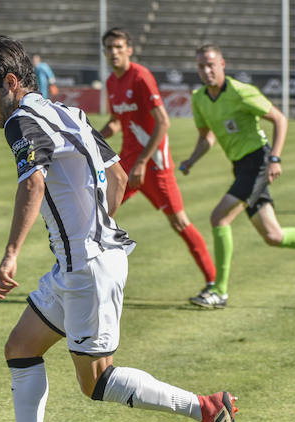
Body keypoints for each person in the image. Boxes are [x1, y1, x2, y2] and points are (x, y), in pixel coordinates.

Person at [0, 35, 240, 422]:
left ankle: (207, 408)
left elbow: (34, 183)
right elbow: (117, 174)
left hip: (86, 267)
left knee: (96, 381)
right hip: (85, 261)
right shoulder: (68, 113)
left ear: (10, 83)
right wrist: (98, 229)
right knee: (20, 347)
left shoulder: (21, 120)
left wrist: (12, 252)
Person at [179, 44, 295, 309]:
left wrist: (275, 158)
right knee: (273, 236)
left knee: (219, 217)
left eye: (211, 64)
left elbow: (279, 119)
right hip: (241, 167)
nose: (206, 71)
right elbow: (206, 137)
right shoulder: (199, 99)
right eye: (201, 66)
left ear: (222, 64)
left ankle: (219, 291)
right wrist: (191, 160)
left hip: (258, 162)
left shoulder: (241, 92)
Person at [98, 28, 217, 295]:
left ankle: (213, 282)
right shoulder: (111, 82)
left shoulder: (140, 76)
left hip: (154, 166)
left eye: (119, 46)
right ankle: (90, 278)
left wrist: (142, 162)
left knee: (179, 223)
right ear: (104, 51)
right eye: (109, 47)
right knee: (99, 214)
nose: (114, 52)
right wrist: (87, 138)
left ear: (129, 49)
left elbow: (163, 122)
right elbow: (117, 122)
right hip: (127, 165)